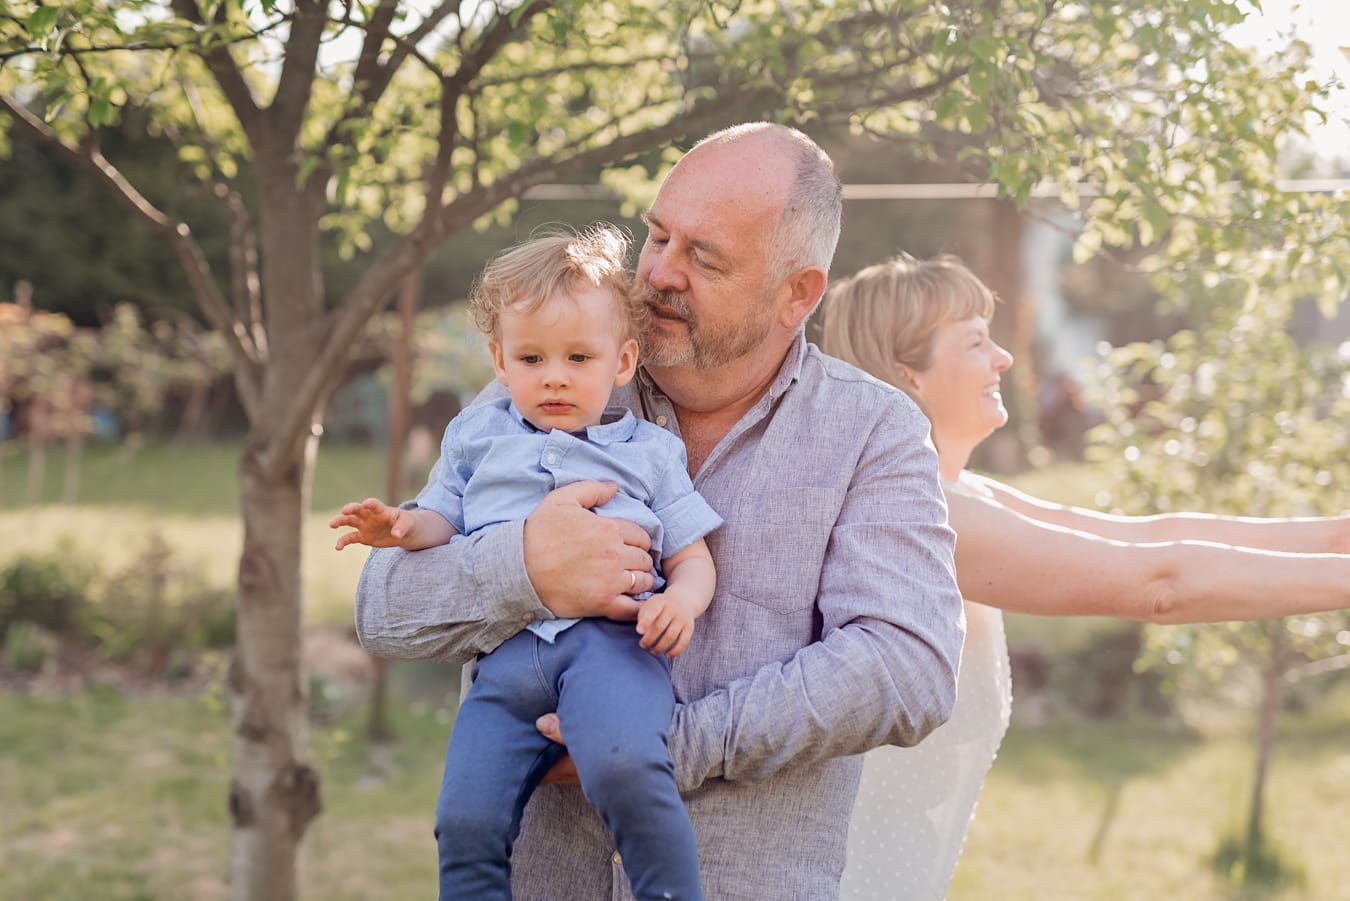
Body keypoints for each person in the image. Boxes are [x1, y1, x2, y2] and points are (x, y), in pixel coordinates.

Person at [355, 123, 968, 899]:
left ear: (798, 292)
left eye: (703, 256)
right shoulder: (549, 383)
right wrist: (524, 568)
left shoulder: (872, 432)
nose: (659, 274)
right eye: (656, 236)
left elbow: (905, 664)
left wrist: (655, 745)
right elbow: (384, 607)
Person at [820, 252, 1350, 900]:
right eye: (976, 341)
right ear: (908, 373)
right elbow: (1158, 585)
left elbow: (1142, 536)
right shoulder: (920, 514)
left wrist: (1332, 536)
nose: (1005, 359)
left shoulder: (956, 492)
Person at [331, 224, 723, 900]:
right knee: (464, 816)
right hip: (507, 662)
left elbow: (693, 555)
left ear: (622, 361)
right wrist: (400, 526)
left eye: (578, 357)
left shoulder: (649, 452)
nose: (555, 377)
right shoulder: (475, 437)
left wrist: (680, 601)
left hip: (615, 652)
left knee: (627, 768)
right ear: (500, 361)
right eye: (532, 358)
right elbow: (440, 520)